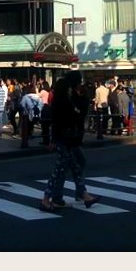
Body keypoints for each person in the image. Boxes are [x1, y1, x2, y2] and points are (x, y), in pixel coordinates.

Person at [40, 71, 100, 212]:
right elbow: (73, 116)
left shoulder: (62, 99)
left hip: (65, 138)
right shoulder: (66, 101)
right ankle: (46, 199)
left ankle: (82, 195)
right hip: (65, 138)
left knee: (74, 166)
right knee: (60, 169)